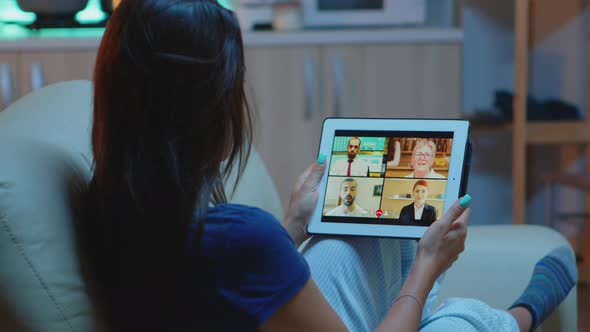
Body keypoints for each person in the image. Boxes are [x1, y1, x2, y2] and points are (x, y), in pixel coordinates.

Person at [78, 1, 577, 332]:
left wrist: (292, 225)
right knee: (455, 325)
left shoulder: (109, 206)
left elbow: (214, 289)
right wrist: (427, 266)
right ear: (208, 108)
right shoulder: (240, 235)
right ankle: (516, 317)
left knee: (357, 229)